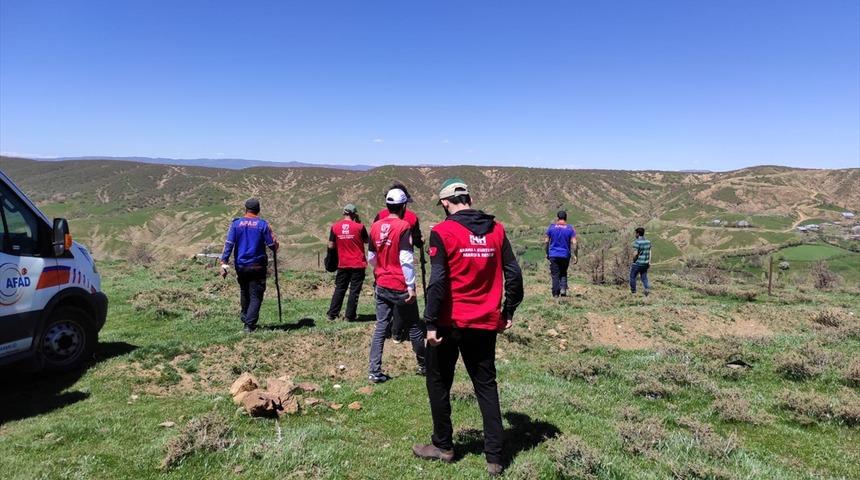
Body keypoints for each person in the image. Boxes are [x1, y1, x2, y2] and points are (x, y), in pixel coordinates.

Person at [412, 178, 524, 476]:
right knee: (486, 385)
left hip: (449, 323)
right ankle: (495, 457)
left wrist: (431, 323)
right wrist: (507, 311)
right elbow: (514, 274)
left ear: (447, 203)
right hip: (485, 323)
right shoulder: (497, 230)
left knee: (438, 382)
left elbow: (438, 282)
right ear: (469, 198)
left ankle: (443, 445)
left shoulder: (443, 231)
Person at [367, 188, 427, 383]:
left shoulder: (375, 226)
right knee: (414, 327)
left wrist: (380, 270)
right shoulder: (403, 226)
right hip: (400, 283)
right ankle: (424, 365)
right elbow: (406, 259)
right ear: (403, 206)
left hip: (382, 282)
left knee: (380, 327)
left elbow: (371, 257)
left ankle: (374, 371)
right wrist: (411, 286)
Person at [374, 182, 425, 341]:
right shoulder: (412, 217)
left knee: (383, 298)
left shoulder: (380, 215)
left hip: (382, 265)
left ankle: (385, 329)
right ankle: (397, 331)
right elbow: (416, 239)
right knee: (401, 300)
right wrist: (420, 242)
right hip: (402, 268)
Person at [220, 198, 279, 333]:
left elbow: (229, 244)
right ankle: (249, 324)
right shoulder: (263, 225)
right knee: (256, 295)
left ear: (245, 209)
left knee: (244, 291)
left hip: (241, 265)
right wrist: (275, 241)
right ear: (258, 210)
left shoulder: (236, 224)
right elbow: (272, 246)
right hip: (257, 265)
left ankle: (245, 317)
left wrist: (224, 262)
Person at [326, 204, 369, 321]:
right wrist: (358, 222)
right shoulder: (360, 227)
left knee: (340, 288)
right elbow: (366, 240)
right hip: (358, 263)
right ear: (354, 214)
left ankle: (332, 314)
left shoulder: (335, 227)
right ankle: (349, 316)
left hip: (343, 263)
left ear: (344, 213)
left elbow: (331, 245)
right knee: (354, 290)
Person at [544, 210, 577, 297]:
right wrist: (575, 255)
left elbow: (546, 241)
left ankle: (555, 294)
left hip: (553, 254)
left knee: (555, 274)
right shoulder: (570, 228)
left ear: (557, 218)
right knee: (563, 272)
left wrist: (547, 252)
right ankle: (563, 289)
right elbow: (574, 243)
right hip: (565, 255)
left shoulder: (551, 227)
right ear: (566, 218)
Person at [630, 227, 651, 296]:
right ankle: (647, 289)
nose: (635, 235)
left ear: (638, 234)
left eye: (635, 233)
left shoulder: (637, 242)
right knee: (644, 277)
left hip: (638, 263)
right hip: (645, 263)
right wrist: (649, 262)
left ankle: (633, 292)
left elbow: (635, 253)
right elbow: (650, 252)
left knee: (632, 276)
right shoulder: (648, 242)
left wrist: (633, 260)